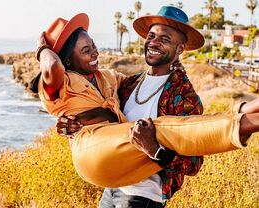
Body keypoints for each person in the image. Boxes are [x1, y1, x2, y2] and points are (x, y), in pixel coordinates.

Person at [32, 8, 258, 207]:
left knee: (165, 128)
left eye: (165, 39)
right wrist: (69, 122)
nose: (154, 42)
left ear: (180, 49)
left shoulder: (183, 96)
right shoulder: (127, 85)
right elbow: (92, 109)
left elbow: (193, 162)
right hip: (112, 189)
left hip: (142, 197)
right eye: (152, 36)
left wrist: (155, 150)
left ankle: (246, 118)